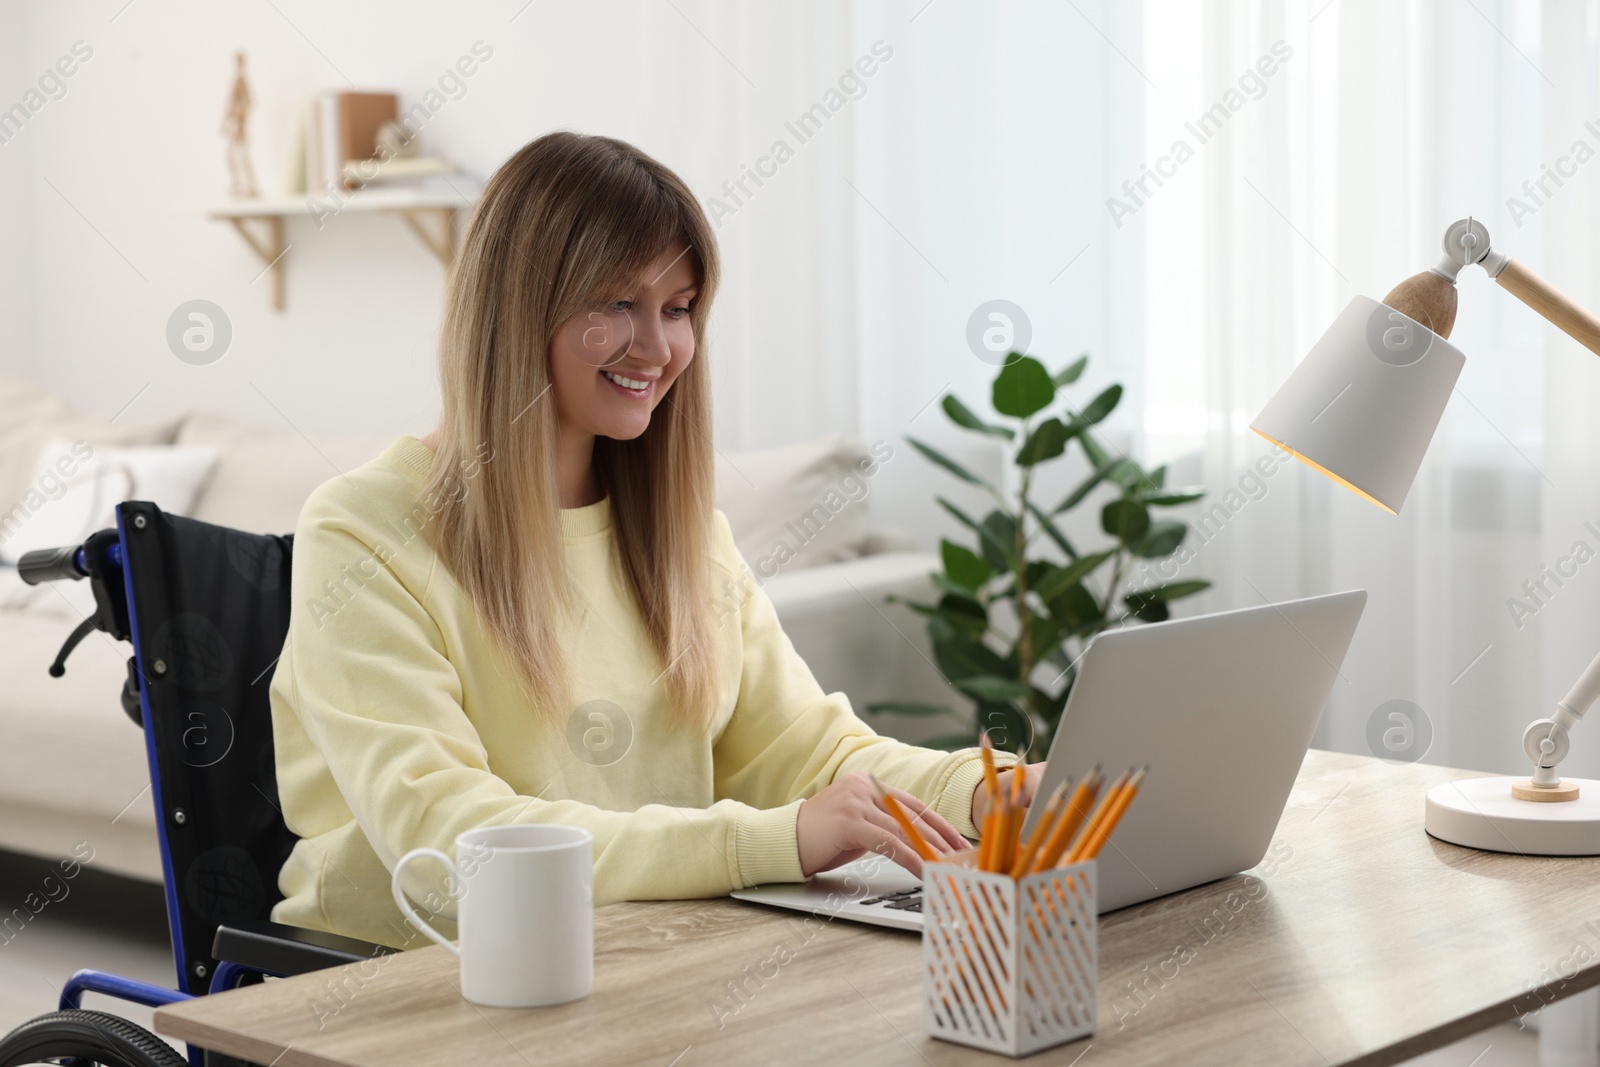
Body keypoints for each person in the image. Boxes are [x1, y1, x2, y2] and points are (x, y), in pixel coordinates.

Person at [269, 131, 1042, 948]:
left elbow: (807, 752)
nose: (659, 347)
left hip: (638, 956)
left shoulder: (686, 539)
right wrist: (768, 840)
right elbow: (454, 849)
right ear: (518, 305)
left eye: (678, 309)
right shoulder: (362, 532)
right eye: (615, 303)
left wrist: (986, 791)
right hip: (402, 987)